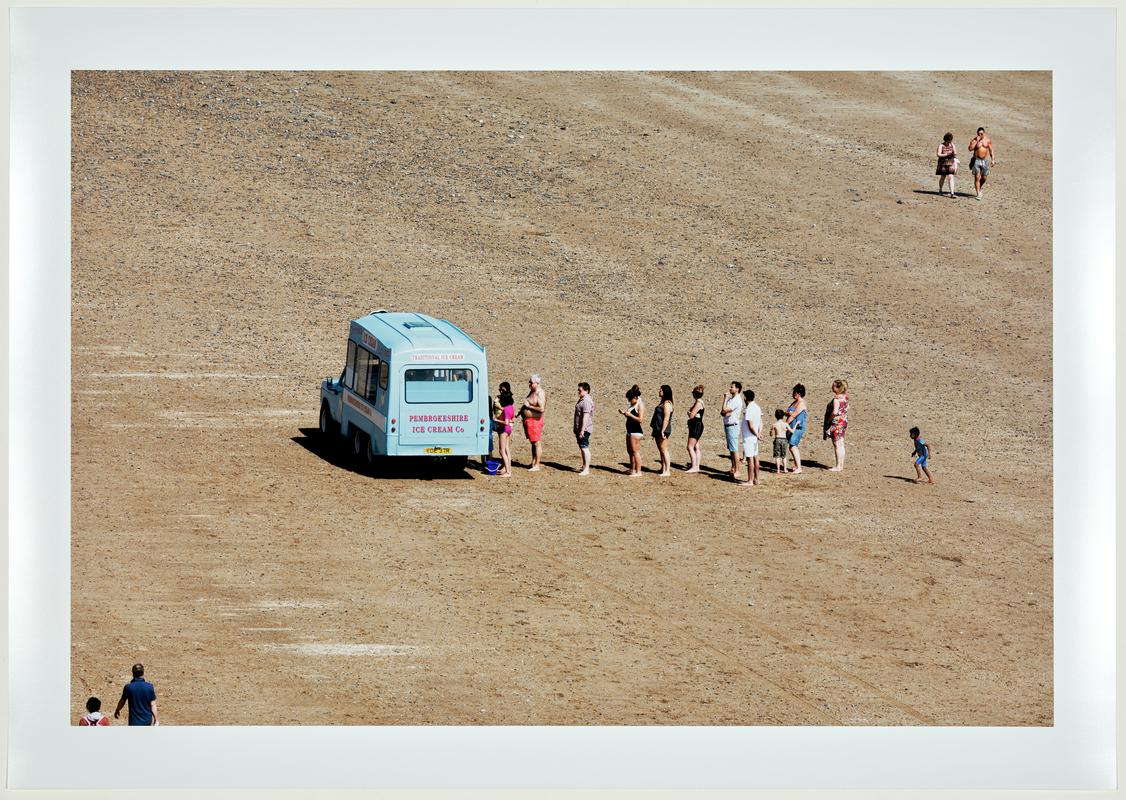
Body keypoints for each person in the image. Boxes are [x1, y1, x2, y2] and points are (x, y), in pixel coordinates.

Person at [521, 374, 546, 471]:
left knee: (537, 443)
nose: (529, 383)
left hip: (535, 421)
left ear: (537, 383)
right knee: (533, 443)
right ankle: (533, 462)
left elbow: (541, 409)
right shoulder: (532, 391)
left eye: (531, 382)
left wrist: (528, 406)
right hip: (529, 421)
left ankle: (537, 465)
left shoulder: (540, 393)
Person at [618, 385, 645, 476]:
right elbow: (629, 416)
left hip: (636, 431)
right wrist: (624, 413)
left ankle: (638, 471)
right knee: (630, 452)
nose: (629, 401)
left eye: (630, 399)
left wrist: (629, 415)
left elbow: (640, 419)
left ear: (635, 397)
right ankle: (632, 469)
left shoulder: (640, 405)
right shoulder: (632, 405)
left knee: (635, 452)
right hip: (629, 431)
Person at [739, 389, 764, 486]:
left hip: (749, 437)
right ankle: (757, 479)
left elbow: (750, 425)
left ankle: (750, 480)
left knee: (750, 459)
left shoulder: (749, 408)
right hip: (753, 437)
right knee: (756, 458)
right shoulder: (757, 407)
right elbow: (761, 422)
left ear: (745, 398)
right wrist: (759, 432)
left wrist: (756, 434)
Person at [649, 385, 674, 477]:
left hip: (663, 429)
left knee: (664, 449)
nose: (659, 391)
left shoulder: (667, 404)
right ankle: (663, 468)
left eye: (661, 390)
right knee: (661, 450)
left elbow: (666, 418)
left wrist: (663, 430)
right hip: (658, 428)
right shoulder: (663, 403)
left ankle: (667, 470)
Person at [720, 381, 744, 476]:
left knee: (734, 449)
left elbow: (725, 410)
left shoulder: (736, 400)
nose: (730, 388)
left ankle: (737, 470)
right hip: (728, 425)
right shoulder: (732, 399)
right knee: (731, 449)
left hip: (733, 426)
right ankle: (733, 468)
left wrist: (725, 399)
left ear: (737, 389)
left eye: (732, 387)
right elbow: (723, 412)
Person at [826, 379, 849, 471]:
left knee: (837, 444)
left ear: (837, 388)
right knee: (841, 444)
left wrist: (829, 420)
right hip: (843, 421)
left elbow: (835, 412)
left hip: (837, 423)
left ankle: (838, 466)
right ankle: (841, 465)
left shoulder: (836, 399)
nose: (832, 387)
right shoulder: (845, 397)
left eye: (833, 385)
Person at [493, 381, 516, 477]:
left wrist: (496, 420)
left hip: (504, 430)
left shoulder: (506, 409)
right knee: (507, 450)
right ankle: (507, 470)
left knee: (502, 451)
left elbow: (506, 422)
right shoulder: (511, 407)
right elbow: (512, 419)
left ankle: (508, 472)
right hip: (509, 429)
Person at [785, 383, 808, 474]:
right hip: (791, 427)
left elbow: (794, 415)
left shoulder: (801, 403)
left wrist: (785, 424)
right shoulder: (794, 402)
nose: (793, 393)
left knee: (793, 446)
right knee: (792, 446)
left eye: (794, 392)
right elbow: (788, 412)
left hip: (797, 427)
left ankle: (799, 467)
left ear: (798, 393)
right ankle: (796, 465)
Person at [968, 127, 995, 200]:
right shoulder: (974, 140)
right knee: (977, 177)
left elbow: (991, 150)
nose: (980, 135)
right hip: (976, 160)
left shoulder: (988, 140)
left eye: (981, 133)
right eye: (978, 133)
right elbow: (970, 149)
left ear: (984, 133)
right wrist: (976, 141)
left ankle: (979, 187)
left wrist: (993, 159)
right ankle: (978, 194)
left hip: (985, 160)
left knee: (984, 177)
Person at [573, 382, 595, 475]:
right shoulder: (582, 399)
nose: (578, 391)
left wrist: (582, 430)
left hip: (584, 429)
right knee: (582, 447)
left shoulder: (586, 401)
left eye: (580, 390)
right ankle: (584, 466)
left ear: (586, 390)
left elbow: (585, 416)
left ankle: (587, 469)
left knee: (584, 447)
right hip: (580, 428)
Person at [684, 384, 705, 473]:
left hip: (696, 425)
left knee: (690, 447)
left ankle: (694, 466)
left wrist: (689, 413)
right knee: (696, 446)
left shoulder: (698, 403)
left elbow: (692, 415)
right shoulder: (701, 402)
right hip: (698, 425)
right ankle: (697, 466)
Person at [935, 132, 958, 197]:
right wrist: (946, 154)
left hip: (950, 161)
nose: (949, 142)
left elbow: (955, 153)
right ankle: (940, 190)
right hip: (942, 162)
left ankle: (952, 193)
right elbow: (938, 154)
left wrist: (953, 152)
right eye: (948, 141)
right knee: (943, 177)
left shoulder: (952, 144)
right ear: (945, 140)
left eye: (950, 141)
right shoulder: (941, 145)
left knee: (950, 176)